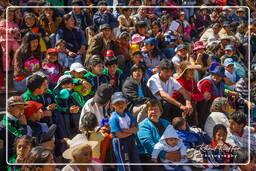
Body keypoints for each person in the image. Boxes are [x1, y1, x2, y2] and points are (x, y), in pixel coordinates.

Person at [137, 99, 182, 171]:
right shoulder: (143, 125)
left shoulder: (166, 123)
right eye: (150, 109)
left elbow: (175, 138)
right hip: (149, 156)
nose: (153, 112)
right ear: (147, 112)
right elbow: (147, 143)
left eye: (156, 109)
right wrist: (165, 155)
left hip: (166, 153)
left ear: (161, 112)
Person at [109, 92, 143, 171]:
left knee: (135, 160)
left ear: (126, 103)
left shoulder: (129, 115)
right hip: (120, 143)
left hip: (131, 141)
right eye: (117, 103)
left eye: (122, 103)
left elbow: (136, 129)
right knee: (125, 163)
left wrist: (126, 131)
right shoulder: (114, 118)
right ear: (113, 105)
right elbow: (118, 135)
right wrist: (131, 132)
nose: (120, 105)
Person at [172, 61, 205, 125]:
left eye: (193, 69)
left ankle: (199, 124)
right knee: (191, 102)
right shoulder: (179, 81)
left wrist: (200, 96)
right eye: (190, 70)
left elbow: (199, 93)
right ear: (184, 71)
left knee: (202, 101)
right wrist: (199, 96)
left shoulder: (191, 80)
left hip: (189, 102)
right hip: (178, 104)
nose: (192, 71)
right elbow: (187, 95)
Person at [0, 8, 20, 72]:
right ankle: (6, 69)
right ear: (5, 14)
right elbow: (0, 29)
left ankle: (15, 65)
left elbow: (17, 32)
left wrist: (18, 34)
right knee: (5, 54)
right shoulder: (3, 21)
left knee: (18, 51)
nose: (10, 16)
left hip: (13, 40)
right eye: (9, 14)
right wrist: (9, 30)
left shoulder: (15, 24)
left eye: (12, 15)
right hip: (5, 40)